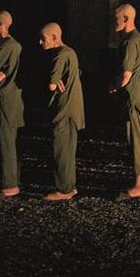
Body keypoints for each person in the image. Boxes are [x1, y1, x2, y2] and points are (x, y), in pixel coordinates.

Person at [40, 23, 84, 201]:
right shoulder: (71, 52)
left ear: (54, 38)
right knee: (68, 148)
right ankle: (69, 186)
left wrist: (51, 81)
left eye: (43, 39)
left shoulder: (59, 55)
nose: (40, 42)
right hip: (74, 109)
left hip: (63, 109)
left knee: (61, 149)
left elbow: (52, 84)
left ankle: (63, 190)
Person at [113, 4, 140, 199]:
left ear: (126, 19)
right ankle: (138, 183)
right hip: (138, 96)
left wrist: (114, 87)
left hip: (132, 97)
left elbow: (126, 75)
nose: (115, 22)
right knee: (136, 138)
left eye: (117, 18)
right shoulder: (138, 40)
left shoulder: (130, 42)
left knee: (136, 139)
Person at [0, 11, 23, 199]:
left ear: (1, 25)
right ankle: (11, 181)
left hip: (5, 101)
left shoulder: (7, 46)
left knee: (6, 143)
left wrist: (0, 72)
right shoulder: (13, 46)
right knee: (10, 142)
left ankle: (9, 185)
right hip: (12, 100)